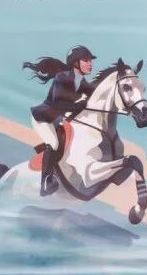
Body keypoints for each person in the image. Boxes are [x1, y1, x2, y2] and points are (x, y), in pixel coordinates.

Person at [23, 45, 97, 196]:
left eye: (91, 61)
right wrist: (78, 105)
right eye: (86, 60)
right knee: (54, 143)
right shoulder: (62, 77)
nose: (90, 64)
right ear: (75, 63)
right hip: (44, 118)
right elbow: (58, 104)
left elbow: (96, 95)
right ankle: (45, 183)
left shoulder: (82, 81)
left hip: (57, 119)